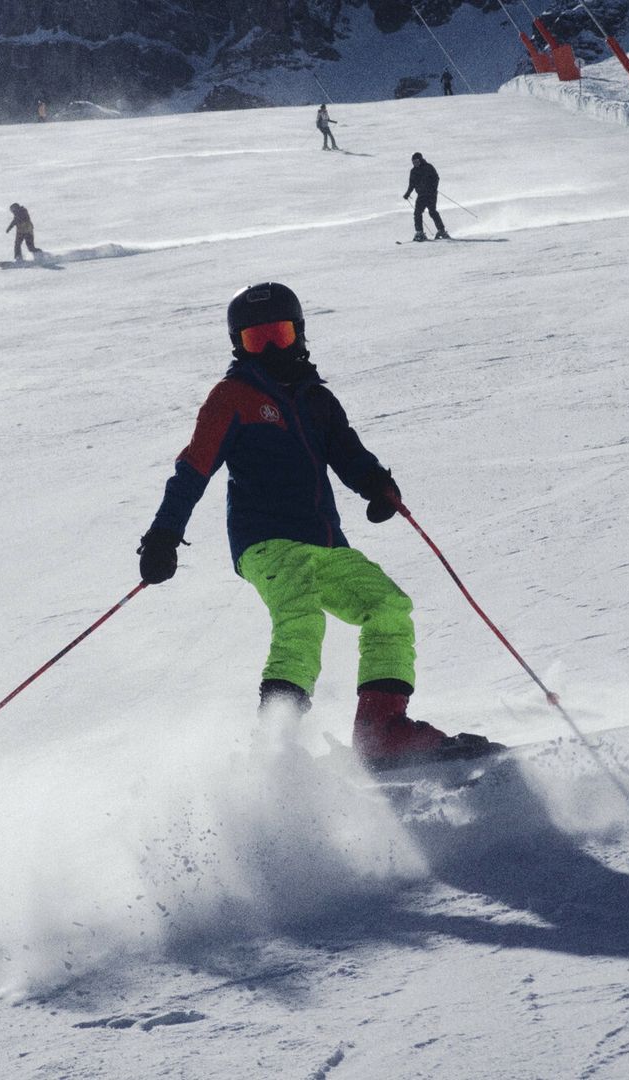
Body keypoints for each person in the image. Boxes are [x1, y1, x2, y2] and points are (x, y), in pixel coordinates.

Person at [137, 282, 497, 769]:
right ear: (238, 346)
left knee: (387, 606)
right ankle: (275, 746)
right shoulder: (232, 397)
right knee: (301, 616)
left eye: (279, 335)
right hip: (266, 544)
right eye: (255, 340)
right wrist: (163, 535)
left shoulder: (318, 401)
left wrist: (376, 484)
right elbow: (193, 469)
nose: (269, 349)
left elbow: (346, 452)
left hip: (326, 543)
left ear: (300, 334)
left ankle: (381, 731)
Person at [403, 152, 449, 241]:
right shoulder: (413, 171)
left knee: (432, 212)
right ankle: (419, 232)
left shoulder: (428, 167)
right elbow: (411, 184)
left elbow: (436, 178)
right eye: (413, 162)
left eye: (416, 161)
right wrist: (408, 193)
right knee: (417, 213)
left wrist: (433, 188)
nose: (415, 163)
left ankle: (441, 231)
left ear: (420, 160)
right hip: (421, 195)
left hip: (431, 194)